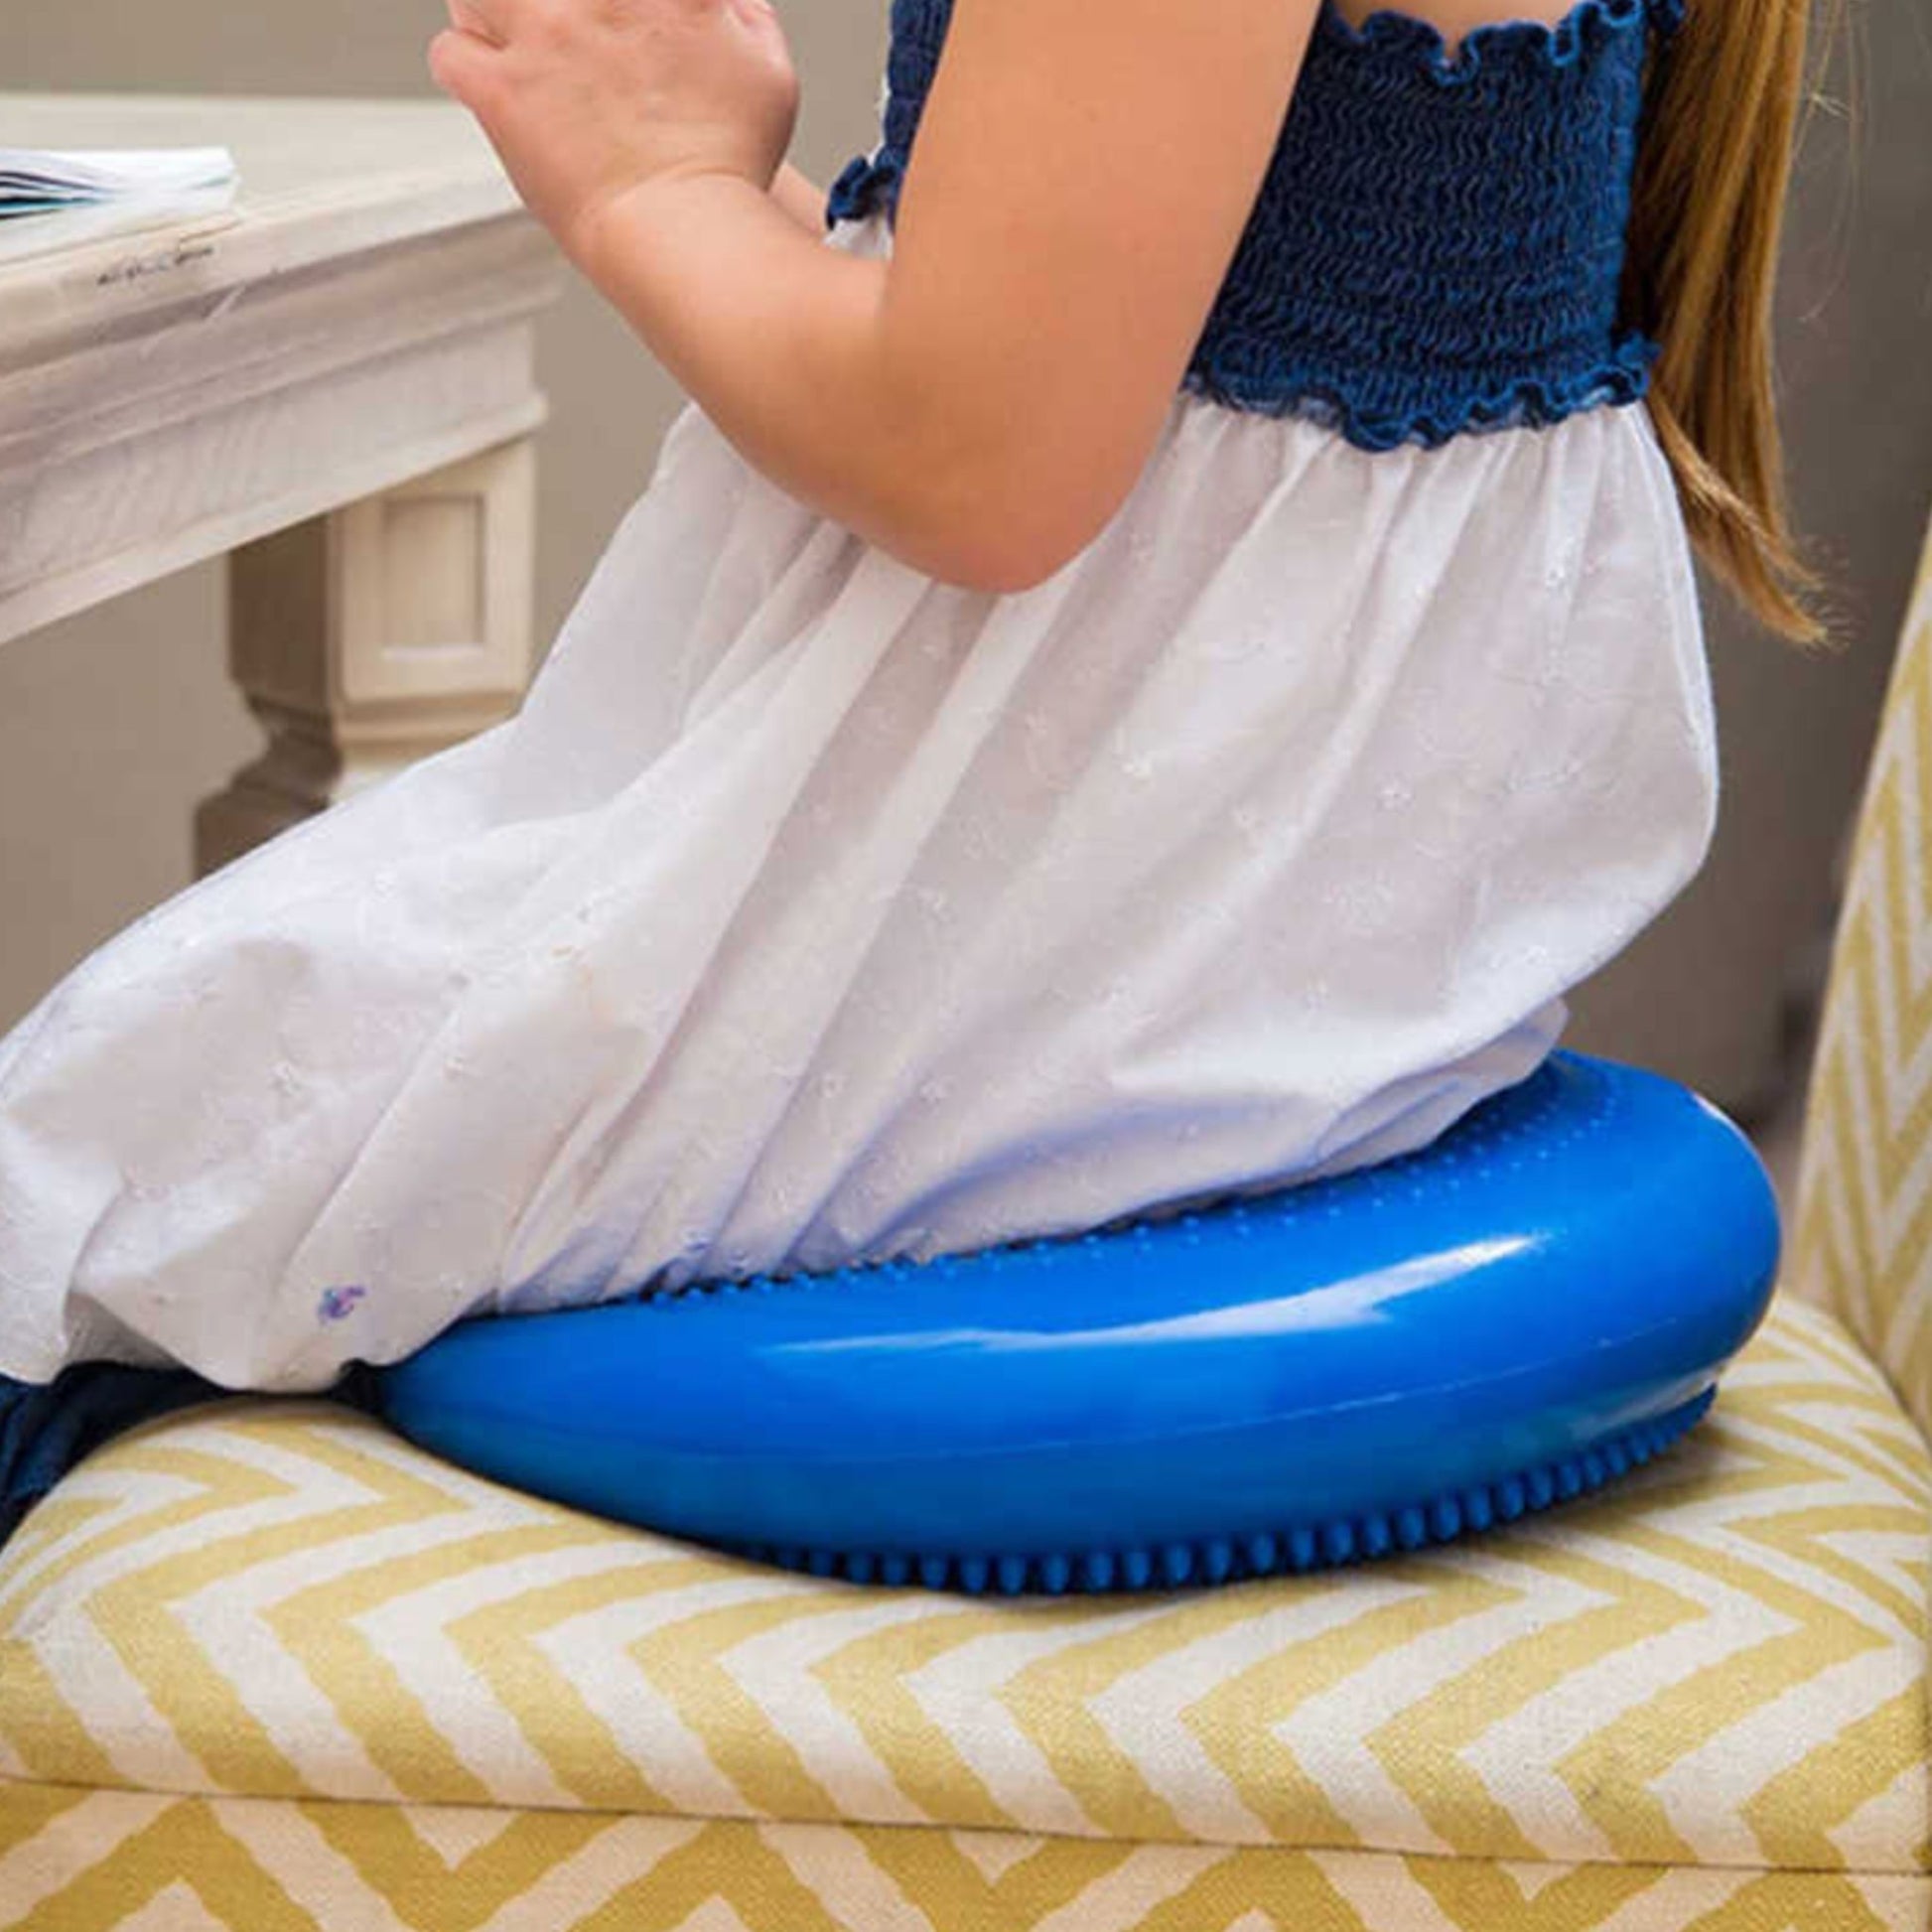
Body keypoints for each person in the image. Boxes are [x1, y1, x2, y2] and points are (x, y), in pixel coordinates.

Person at [0, 0, 1832, 1453]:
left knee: (94, 1165)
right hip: (1307, 906)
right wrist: (729, 188)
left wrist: (650, 196)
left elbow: (980, 463)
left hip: (1137, 929)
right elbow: (1160, 370)